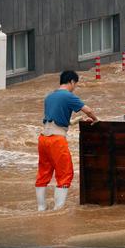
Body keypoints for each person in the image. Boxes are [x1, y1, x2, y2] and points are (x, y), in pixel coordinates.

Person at [36, 71, 98, 211]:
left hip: (43, 139)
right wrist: (96, 120)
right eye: (75, 84)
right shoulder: (69, 96)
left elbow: (55, 120)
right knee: (65, 174)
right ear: (71, 82)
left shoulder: (49, 96)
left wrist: (76, 121)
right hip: (57, 141)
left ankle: (41, 208)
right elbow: (88, 110)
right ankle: (58, 209)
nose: (75, 87)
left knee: (43, 173)